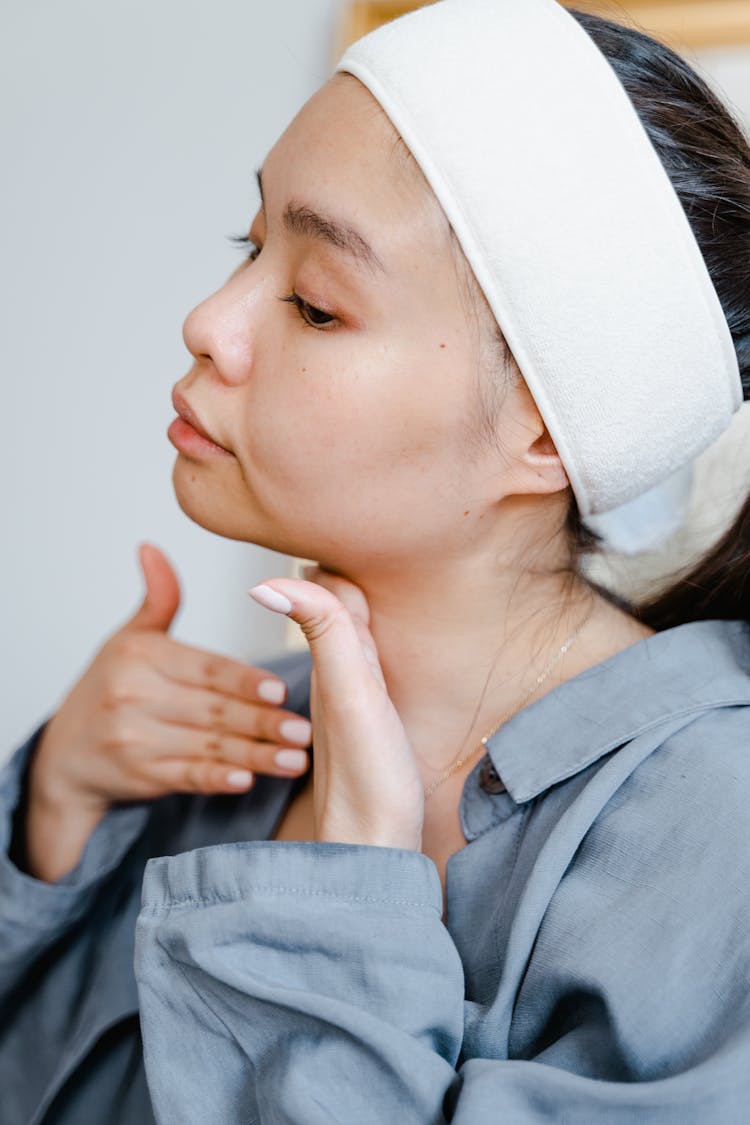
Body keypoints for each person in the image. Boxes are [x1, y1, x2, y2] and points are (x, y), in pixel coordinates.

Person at [3, 1, 750, 1121]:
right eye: (249, 248)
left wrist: (340, 905)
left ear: (545, 434)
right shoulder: (230, 739)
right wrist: (56, 811)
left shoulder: (714, 837)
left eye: (315, 303)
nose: (209, 321)